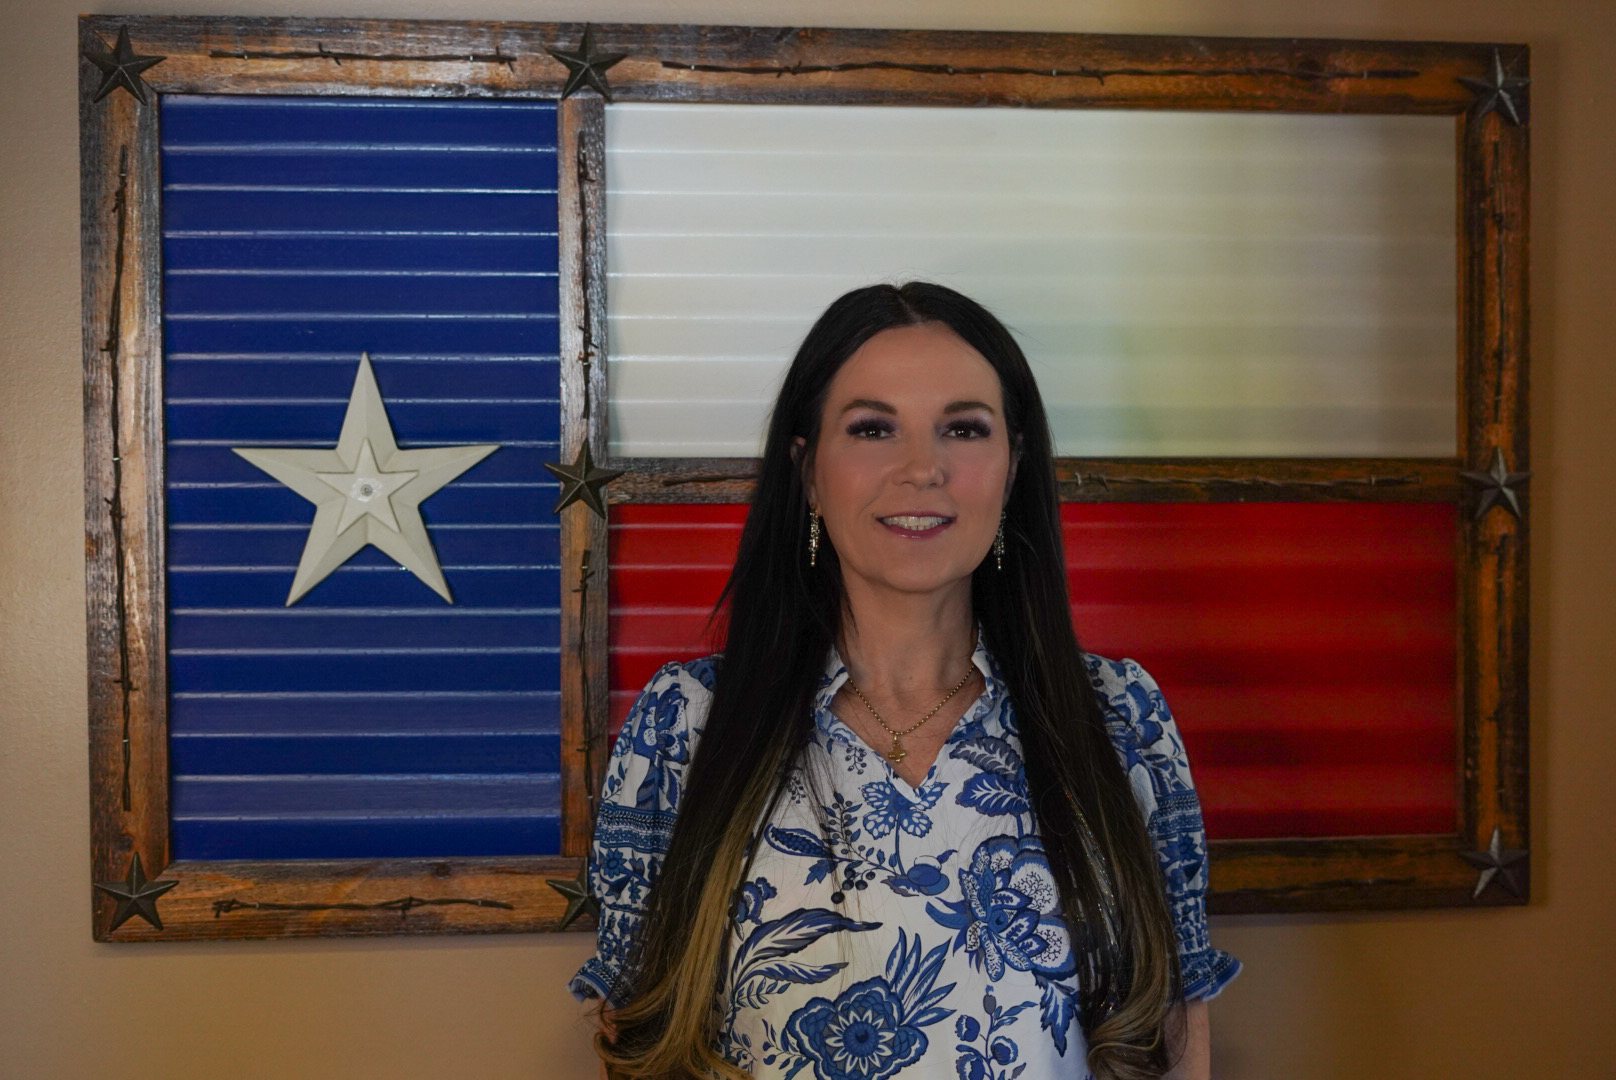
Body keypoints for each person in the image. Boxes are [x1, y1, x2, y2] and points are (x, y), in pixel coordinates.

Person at [569, 282, 1239, 1080]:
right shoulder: (686, 727)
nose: (923, 468)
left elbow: (1173, 1043)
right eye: (872, 429)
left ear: (1013, 467)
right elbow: (638, 1045)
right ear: (809, 471)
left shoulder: (1120, 718)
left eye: (963, 428)